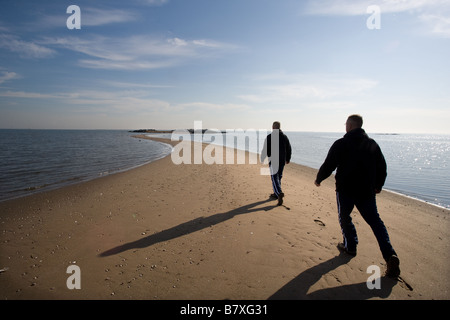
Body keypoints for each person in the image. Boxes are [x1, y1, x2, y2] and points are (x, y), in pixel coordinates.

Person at [314, 114, 400, 278]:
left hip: (345, 189)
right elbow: (382, 166)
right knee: (375, 221)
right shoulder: (371, 144)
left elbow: (329, 164)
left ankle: (350, 246)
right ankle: (389, 255)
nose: (345, 126)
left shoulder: (342, 143)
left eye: (346, 124)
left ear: (351, 125)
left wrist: (319, 179)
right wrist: (378, 185)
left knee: (344, 216)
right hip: (366, 191)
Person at [261, 121, 292, 206]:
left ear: (273, 127)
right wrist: (288, 158)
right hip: (282, 160)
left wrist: (263, 157)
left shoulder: (270, 137)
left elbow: (265, 148)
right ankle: (276, 193)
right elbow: (289, 148)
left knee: (274, 177)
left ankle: (279, 193)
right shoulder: (284, 137)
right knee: (278, 177)